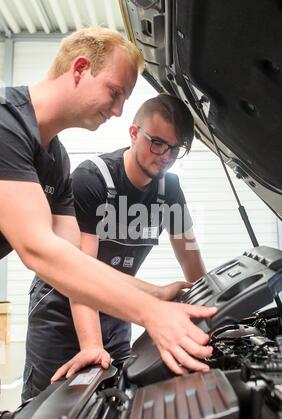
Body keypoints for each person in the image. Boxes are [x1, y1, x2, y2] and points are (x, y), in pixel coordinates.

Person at [0, 27, 217, 398]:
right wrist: (150, 311)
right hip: (57, 320)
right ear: (80, 69)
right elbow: (39, 251)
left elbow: (74, 260)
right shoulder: (6, 125)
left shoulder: (55, 159)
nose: (118, 111)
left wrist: (157, 294)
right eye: (115, 93)